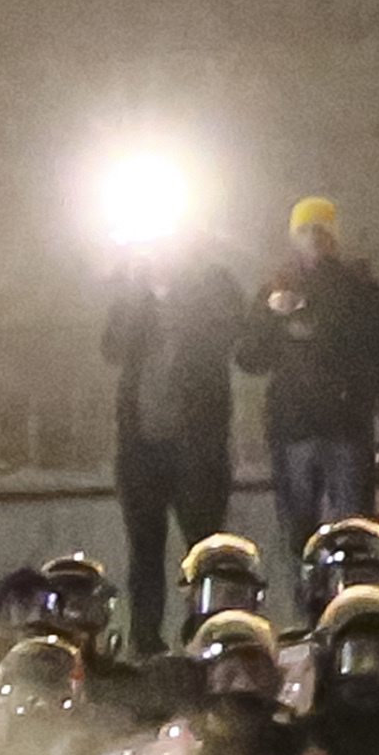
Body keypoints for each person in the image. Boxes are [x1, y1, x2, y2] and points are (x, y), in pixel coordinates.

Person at [103, 231, 266, 657]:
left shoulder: (213, 285)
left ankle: (209, 633)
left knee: (206, 549)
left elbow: (232, 335)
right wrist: (138, 291)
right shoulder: (136, 293)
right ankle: (144, 639)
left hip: (198, 445)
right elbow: (112, 346)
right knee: (144, 550)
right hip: (142, 446)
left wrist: (180, 294)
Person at [258, 201, 379, 582]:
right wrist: (272, 318)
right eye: (306, 233)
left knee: (352, 540)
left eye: (320, 233)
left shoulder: (360, 291)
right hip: (301, 429)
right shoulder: (279, 287)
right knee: (301, 539)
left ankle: (353, 613)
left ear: (333, 239)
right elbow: (249, 356)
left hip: (342, 428)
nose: (313, 242)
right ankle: (314, 621)